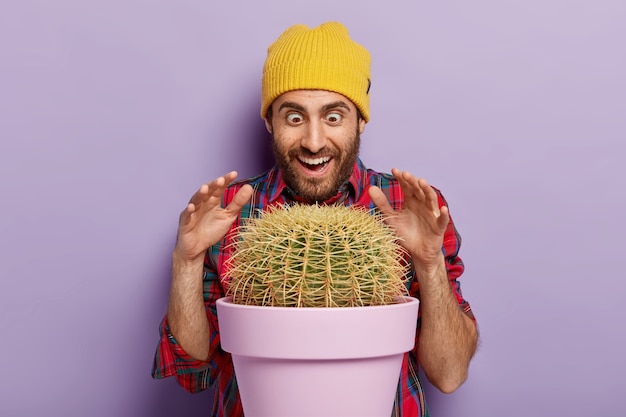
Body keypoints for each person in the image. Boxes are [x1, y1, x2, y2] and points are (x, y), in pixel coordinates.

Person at [152, 21, 478, 417]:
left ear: (361, 120)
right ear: (269, 122)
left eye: (334, 116)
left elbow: (449, 374)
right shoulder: (226, 214)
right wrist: (185, 261)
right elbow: (192, 376)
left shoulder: (409, 207)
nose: (313, 141)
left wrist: (430, 264)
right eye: (294, 118)